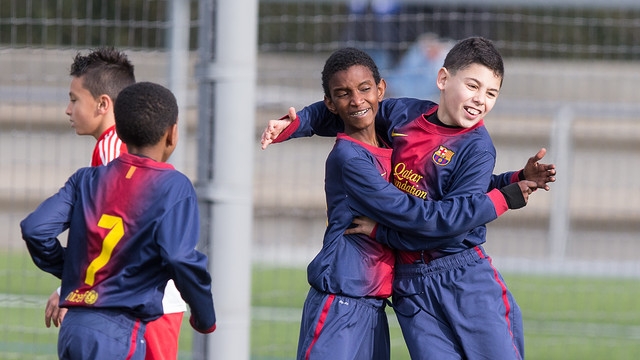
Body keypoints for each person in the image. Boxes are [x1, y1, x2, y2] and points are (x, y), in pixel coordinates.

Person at [262, 37, 556, 359]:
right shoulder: (403, 115)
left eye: (491, 93)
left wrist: (381, 232)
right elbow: (355, 107)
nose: (479, 100)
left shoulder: (478, 147)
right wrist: (298, 123)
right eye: (473, 86)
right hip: (410, 284)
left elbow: (451, 219)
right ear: (443, 79)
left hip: (463, 276)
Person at [21, 82, 217, 359]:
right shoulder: (174, 186)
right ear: (172, 134)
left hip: (74, 328)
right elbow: (178, 257)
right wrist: (204, 316)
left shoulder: (85, 179)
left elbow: (34, 229)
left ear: (120, 132)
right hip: (120, 332)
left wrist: (73, 271)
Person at [48, 47, 187, 360]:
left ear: (102, 104)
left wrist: (70, 290)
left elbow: (120, 238)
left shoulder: (115, 154)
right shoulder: (114, 148)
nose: (68, 110)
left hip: (143, 308)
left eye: (73, 99)